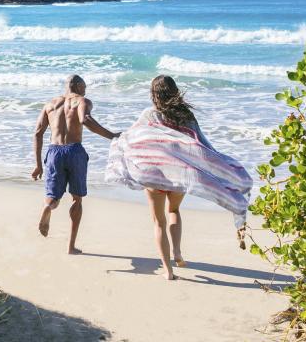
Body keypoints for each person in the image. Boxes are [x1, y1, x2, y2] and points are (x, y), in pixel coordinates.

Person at [106, 74, 252, 280]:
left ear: (154, 94)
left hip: (154, 176)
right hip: (178, 175)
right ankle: (178, 254)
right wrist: (219, 167)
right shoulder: (187, 116)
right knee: (173, 210)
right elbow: (200, 145)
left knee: (158, 222)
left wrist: (115, 138)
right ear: (174, 91)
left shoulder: (149, 114)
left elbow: (134, 137)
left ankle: (168, 270)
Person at [31, 74, 120, 254]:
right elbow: (84, 120)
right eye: (84, 87)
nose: (85, 90)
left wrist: (38, 165)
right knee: (76, 199)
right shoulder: (81, 101)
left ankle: (48, 207)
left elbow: (38, 133)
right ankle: (70, 246)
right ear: (78, 86)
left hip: (54, 151)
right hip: (74, 151)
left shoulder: (50, 105)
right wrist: (111, 136)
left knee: (53, 196)